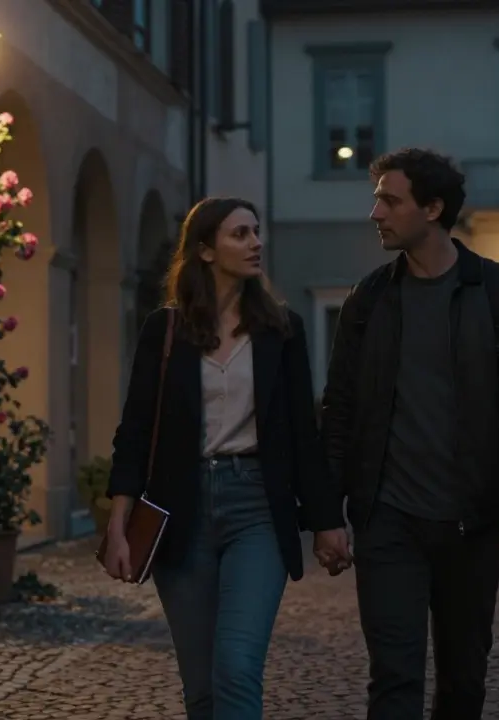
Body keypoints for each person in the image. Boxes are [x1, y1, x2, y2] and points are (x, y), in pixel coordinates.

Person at [317, 148, 499, 720]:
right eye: (377, 198)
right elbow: (340, 412)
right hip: (387, 522)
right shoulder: (367, 300)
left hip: (472, 525)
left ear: (432, 208)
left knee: (462, 683)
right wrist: (327, 514)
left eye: (389, 200)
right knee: (393, 682)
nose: (376, 212)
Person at [100, 197, 348, 718]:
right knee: (202, 686)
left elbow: (304, 433)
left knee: (236, 665)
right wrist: (119, 524)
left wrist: (327, 521)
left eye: (256, 232)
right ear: (206, 251)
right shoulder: (164, 331)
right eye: (240, 234)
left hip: (256, 505)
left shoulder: (282, 329)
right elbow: (136, 429)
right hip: (181, 509)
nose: (256, 242)